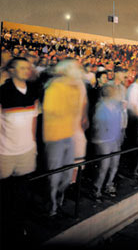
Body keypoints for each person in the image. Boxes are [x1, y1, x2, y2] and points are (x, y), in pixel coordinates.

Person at [42, 59, 87, 215]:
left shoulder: (75, 87)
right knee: (54, 176)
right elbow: (53, 112)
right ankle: (52, 207)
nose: (79, 70)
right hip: (55, 137)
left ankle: (58, 199)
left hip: (69, 135)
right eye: (75, 67)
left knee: (67, 175)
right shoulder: (54, 87)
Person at [0, 57, 39, 179]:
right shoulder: (3, 92)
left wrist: (33, 143)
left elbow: (34, 119)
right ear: (12, 70)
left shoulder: (33, 92)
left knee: (22, 189)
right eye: (22, 68)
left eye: (28, 68)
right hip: (5, 154)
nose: (26, 70)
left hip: (27, 151)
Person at [89, 82, 126, 198]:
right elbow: (97, 125)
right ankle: (96, 189)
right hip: (103, 141)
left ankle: (108, 185)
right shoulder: (100, 107)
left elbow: (121, 121)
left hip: (114, 139)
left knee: (114, 165)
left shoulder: (116, 106)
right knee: (103, 167)